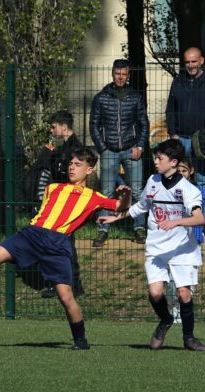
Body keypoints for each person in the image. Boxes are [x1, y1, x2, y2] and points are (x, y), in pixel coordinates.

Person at [0, 148, 132, 350]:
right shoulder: (53, 188)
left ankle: (80, 340)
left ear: (89, 170)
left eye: (78, 165)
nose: (72, 168)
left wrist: (125, 196)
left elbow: (121, 207)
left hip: (57, 244)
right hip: (32, 234)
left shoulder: (94, 197)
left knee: (66, 296)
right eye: (70, 164)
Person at [98, 139, 205, 351]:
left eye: (160, 158)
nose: (156, 162)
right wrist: (117, 217)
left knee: (184, 293)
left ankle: (189, 338)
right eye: (155, 157)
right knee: (155, 293)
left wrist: (175, 222)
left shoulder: (188, 189)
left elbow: (199, 218)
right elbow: (142, 206)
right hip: (156, 248)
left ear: (174, 162)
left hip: (182, 248)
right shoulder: (153, 181)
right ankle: (165, 320)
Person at [90, 58, 149, 247]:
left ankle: (140, 228)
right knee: (106, 193)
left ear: (128, 75)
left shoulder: (136, 97)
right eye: (118, 74)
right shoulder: (101, 97)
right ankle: (102, 229)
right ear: (112, 74)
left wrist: (140, 146)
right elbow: (94, 125)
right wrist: (103, 148)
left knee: (138, 191)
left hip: (131, 150)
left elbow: (143, 124)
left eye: (124, 74)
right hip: (110, 151)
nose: (121, 78)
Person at [41, 111, 85, 298]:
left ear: (63, 126)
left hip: (69, 198)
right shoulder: (63, 148)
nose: (52, 130)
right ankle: (69, 283)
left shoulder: (74, 148)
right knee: (60, 242)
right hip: (61, 197)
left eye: (54, 127)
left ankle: (69, 283)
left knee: (63, 242)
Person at [165, 47, 205, 187]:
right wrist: (172, 133)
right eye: (187, 62)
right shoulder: (178, 82)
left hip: (201, 139)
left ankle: (201, 208)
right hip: (180, 138)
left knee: (201, 179)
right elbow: (170, 109)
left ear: (201, 61)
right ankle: (180, 208)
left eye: (194, 61)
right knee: (179, 178)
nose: (190, 65)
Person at [178, 159, 205, 244]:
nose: (181, 174)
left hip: (195, 228)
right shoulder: (173, 189)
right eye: (178, 171)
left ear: (191, 170)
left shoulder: (199, 189)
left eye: (184, 171)